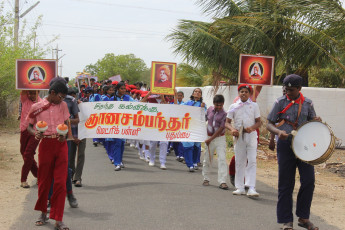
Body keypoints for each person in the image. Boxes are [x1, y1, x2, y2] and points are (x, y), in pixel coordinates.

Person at [267, 74, 320, 230]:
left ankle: (303, 218)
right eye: (285, 89)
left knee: (309, 181)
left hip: (305, 146)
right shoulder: (280, 102)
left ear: (299, 89)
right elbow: (269, 123)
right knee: (286, 184)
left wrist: (316, 121)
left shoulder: (308, 104)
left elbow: (312, 123)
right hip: (285, 145)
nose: (287, 92)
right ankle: (286, 221)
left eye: (291, 90)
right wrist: (277, 133)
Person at [27, 80, 70, 230]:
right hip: (45, 145)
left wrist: (65, 136)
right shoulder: (36, 107)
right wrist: (36, 134)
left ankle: (58, 219)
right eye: (61, 96)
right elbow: (29, 126)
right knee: (44, 181)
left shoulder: (63, 105)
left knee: (60, 183)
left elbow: (65, 123)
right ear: (52, 93)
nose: (62, 99)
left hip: (60, 145)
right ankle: (43, 213)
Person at [225, 84, 261, 197]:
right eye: (242, 91)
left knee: (252, 161)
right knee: (239, 161)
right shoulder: (233, 106)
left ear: (249, 94)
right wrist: (232, 129)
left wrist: (252, 128)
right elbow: (227, 122)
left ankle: (251, 188)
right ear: (239, 93)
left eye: (246, 91)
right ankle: (239, 187)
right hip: (238, 136)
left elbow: (259, 122)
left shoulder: (254, 105)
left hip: (251, 136)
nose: (244, 93)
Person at [202, 94, 229, 190]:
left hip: (219, 138)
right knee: (207, 159)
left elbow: (221, 128)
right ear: (214, 104)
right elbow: (202, 119)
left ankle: (222, 181)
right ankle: (206, 178)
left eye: (221, 105)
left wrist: (210, 139)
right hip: (208, 137)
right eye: (217, 105)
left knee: (222, 159)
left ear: (223, 104)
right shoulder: (209, 110)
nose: (219, 107)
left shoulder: (225, 114)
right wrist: (201, 109)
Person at [19, 90, 41, 188]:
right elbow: (23, 89)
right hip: (24, 129)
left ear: (38, 92)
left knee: (28, 153)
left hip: (35, 131)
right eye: (30, 93)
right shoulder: (25, 100)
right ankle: (39, 176)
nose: (32, 95)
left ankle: (23, 179)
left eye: (34, 93)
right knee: (24, 153)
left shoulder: (41, 103)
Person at [112, 82, 135, 171]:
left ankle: (120, 161)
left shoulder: (128, 98)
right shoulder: (112, 99)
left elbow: (138, 104)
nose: (124, 90)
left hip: (125, 123)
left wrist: (148, 94)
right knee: (117, 142)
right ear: (117, 89)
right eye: (121, 88)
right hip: (115, 123)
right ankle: (117, 163)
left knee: (122, 143)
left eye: (124, 88)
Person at [182, 88, 206, 172]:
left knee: (196, 146)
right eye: (196, 91)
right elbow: (177, 109)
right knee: (189, 146)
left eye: (199, 92)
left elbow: (204, 117)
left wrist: (202, 109)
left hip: (197, 128)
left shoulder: (203, 105)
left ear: (201, 95)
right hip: (188, 127)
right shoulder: (187, 103)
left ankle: (195, 162)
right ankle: (190, 164)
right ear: (192, 94)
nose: (197, 93)